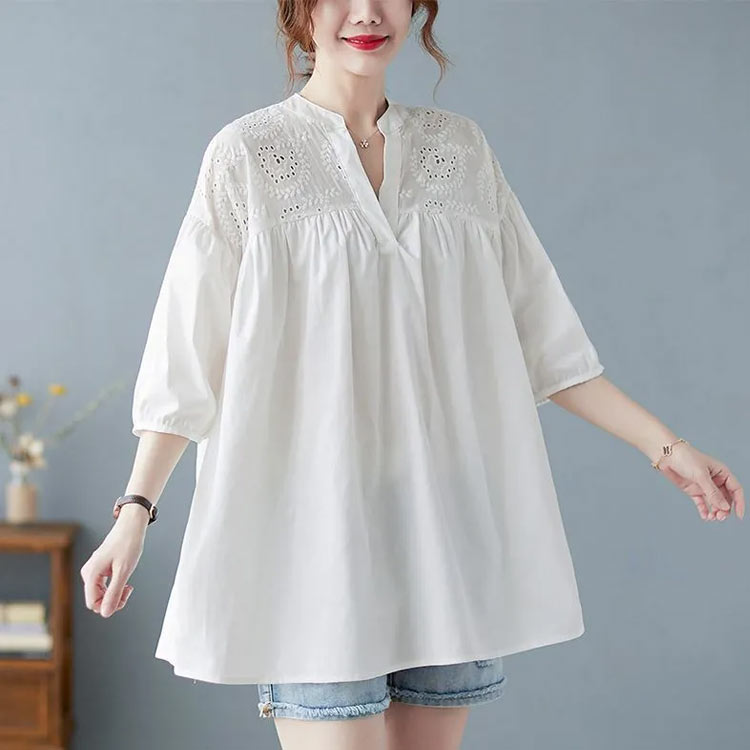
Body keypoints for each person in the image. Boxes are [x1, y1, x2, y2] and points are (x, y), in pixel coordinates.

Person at [80, 1, 745, 749]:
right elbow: (187, 354)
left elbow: (545, 339)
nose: (367, 12)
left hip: (445, 536)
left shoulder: (459, 151)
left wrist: (667, 447)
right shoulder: (247, 156)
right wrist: (135, 512)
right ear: (300, 11)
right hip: (310, 542)